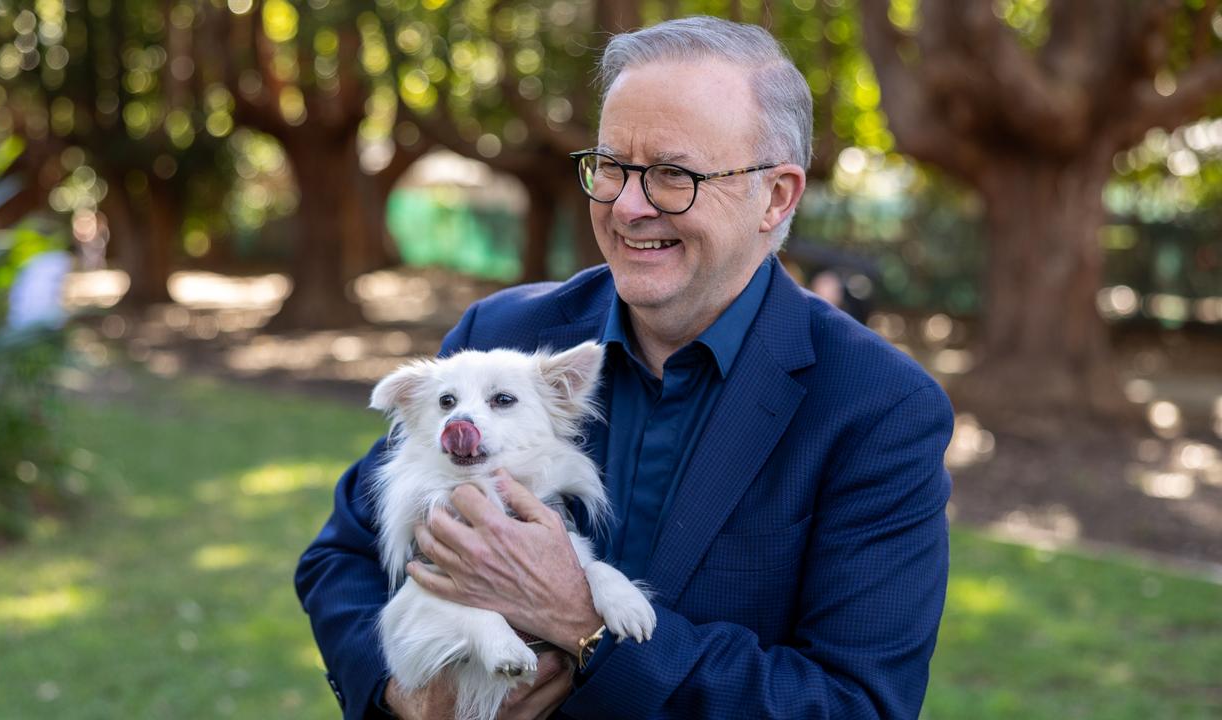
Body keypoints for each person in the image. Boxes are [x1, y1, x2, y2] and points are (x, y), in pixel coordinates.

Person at [296, 16, 953, 720]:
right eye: (611, 166)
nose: (628, 206)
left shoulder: (879, 408)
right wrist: (403, 694)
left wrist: (586, 623)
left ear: (777, 196)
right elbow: (341, 559)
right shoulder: (500, 338)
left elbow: (855, 704)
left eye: (674, 175)